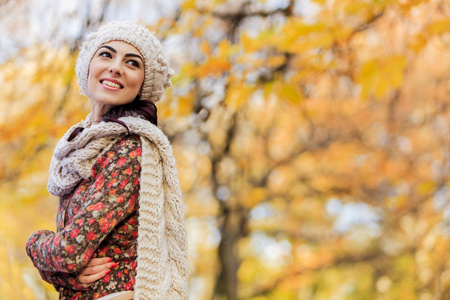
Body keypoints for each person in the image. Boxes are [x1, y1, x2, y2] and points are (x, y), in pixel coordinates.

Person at [25, 21, 189, 300]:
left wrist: (33, 244)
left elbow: (70, 252)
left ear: (142, 84)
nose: (115, 67)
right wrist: (57, 272)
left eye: (132, 63)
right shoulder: (88, 148)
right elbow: (70, 262)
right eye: (106, 54)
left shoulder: (129, 149)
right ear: (88, 65)